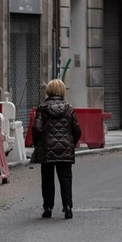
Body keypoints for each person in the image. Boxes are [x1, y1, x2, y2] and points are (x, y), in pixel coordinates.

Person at [30, 79, 81, 219]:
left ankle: (48, 207)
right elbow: (77, 129)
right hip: (65, 147)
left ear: (48, 91)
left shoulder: (42, 108)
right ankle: (68, 206)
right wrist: (71, 143)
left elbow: (37, 128)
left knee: (47, 178)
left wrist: (36, 143)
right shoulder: (69, 109)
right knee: (65, 178)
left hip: (46, 148)